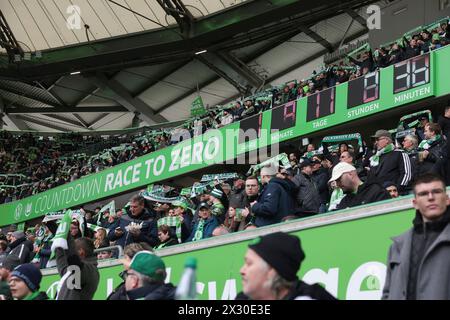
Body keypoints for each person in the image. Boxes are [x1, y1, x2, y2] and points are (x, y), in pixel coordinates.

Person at [382, 173, 450, 300]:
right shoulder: (397, 246)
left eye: (436, 192)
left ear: (447, 199)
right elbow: (387, 293)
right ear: (415, 203)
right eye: (423, 194)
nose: (430, 197)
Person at [237, 232, 336, 300]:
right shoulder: (242, 299)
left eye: (249, 263)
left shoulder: (309, 296)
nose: (241, 270)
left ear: (271, 270)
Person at [368, 130, 412, 194]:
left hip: (397, 194)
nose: (376, 142)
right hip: (380, 196)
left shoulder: (399, 153)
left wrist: (396, 190)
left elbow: (406, 174)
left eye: (378, 139)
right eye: (375, 140)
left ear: (387, 140)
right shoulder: (375, 158)